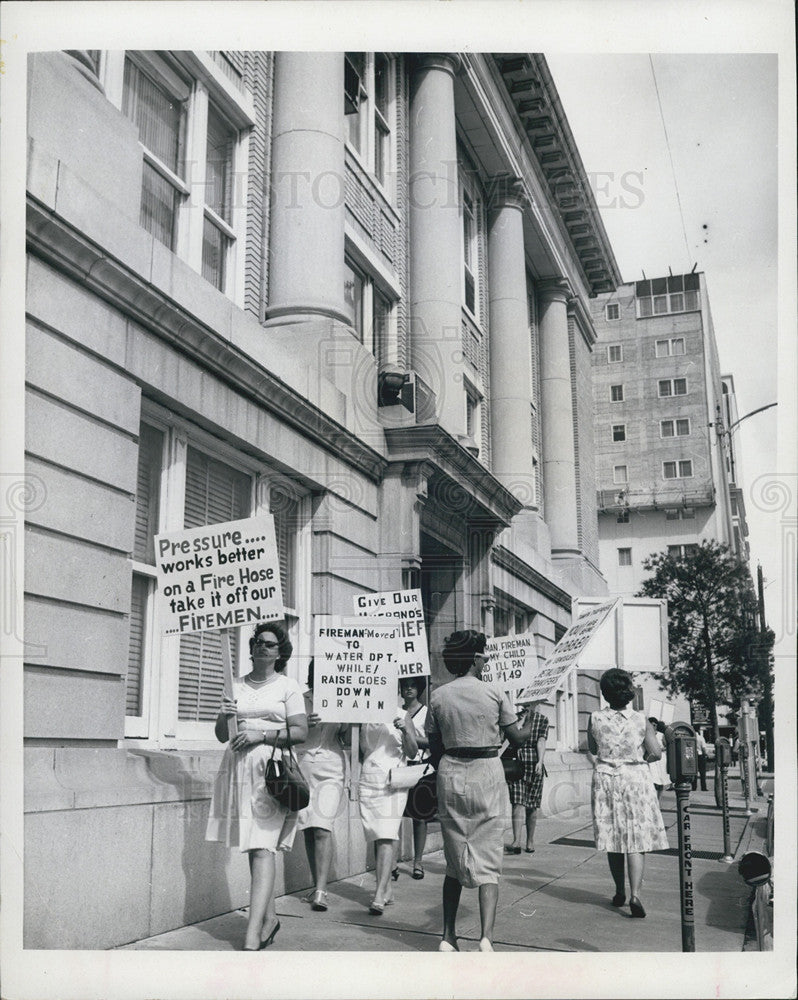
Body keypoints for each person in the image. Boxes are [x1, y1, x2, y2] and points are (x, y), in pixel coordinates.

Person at [425, 629, 541, 952]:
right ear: (475, 659)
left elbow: (434, 746)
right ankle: (486, 938)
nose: (487, 660)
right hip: (487, 771)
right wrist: (532, 713)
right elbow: (517, 737)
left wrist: (450, 765)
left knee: (454, 858)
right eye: (485, 655)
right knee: (488, 856)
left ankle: (448, 937)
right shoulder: (494, 693)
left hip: (450, 772)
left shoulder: (438, 696)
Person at [206, 622, 307, 950]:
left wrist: (260, 734)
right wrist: (225, 715)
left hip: (272, 771)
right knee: (254, 845)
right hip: (237, 768)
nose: (262, 648)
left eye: (270, 644)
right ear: (251, 648)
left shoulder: (288, 687)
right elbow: (223, 735)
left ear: (280, 653)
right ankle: (269, 919)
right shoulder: (233, 684)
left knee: (263, 847)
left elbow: (301, 732)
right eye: (258, 643)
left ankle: (252, 933)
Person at [588, 670, 669, 919]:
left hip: (606, 778)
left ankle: (618, 890)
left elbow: (592, 748)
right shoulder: (640, 719)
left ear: (605, 693)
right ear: (629, 692)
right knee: (636, 837)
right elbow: (655, 752)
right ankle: (636, 894)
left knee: (613, 836)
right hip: (635, 778)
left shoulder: (595, 718)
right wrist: (640, 758)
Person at [296, 659, 349, 912]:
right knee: (308, 825)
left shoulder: (342, 698)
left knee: (322, 827)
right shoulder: (299, 697)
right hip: (303, 764)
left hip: (331, 767)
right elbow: (290, 731)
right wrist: (305, 724)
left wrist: (352, 720)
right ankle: (315, 884)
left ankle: (320, 890)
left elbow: (346, 739)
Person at [358, 699, 419, 915]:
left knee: (386, 833)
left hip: (393, 780)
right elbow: (358, 750)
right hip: (369, 778)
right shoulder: (362, 711)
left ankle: (379, 894)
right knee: (378, 833)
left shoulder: (402, 715)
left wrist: (405, 732)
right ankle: (387, 889)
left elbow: (413, 752)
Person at [505, 700, 549, 854]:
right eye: (526, 704)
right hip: (517, 763)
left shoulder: (542, 719)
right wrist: (521, 720)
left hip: (534, 762)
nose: (527, 706)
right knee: (517, 802)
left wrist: (540, 761)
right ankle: (516, 841)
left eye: (531, 704)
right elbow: (513, 738)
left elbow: (541, 741)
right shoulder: (515, 718)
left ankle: (530, 841)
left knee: (532, 804)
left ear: (536, 703)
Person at [399, 675, 431, 879]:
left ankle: (418, 862)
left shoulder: (426, 712)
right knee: (396, 815)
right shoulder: (396, 712)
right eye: (405, 686)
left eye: (413, 686)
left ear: (419, 689)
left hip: (421, 767)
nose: (409, 690)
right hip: (400, 765)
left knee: (420, 817)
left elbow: (432, 741)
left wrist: (410, 737)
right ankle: (392, 862)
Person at [646, 717, 669, 802]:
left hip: (661, 760)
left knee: (661, 780)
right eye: (651, 725)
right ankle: (653, 800)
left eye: (655, 725)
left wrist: (661, 749)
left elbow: (667, 746)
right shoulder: (647, 734)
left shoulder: (660, 735)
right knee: (653, 779)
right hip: (651, 760)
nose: (653, 727)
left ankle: (658, 800)